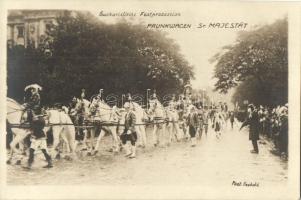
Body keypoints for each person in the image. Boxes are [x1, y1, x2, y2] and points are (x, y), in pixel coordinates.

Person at [22, 84, 53, 169]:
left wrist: (26, 105)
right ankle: (50, 162)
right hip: (41, 135)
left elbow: (33, 103)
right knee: (43, 149)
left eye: (33, 89)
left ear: (35, 90)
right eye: (31, 90)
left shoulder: (36, 96)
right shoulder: (34, 96)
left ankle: (29, 164)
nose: (31, 91)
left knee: (32, 149)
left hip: (38, 135)